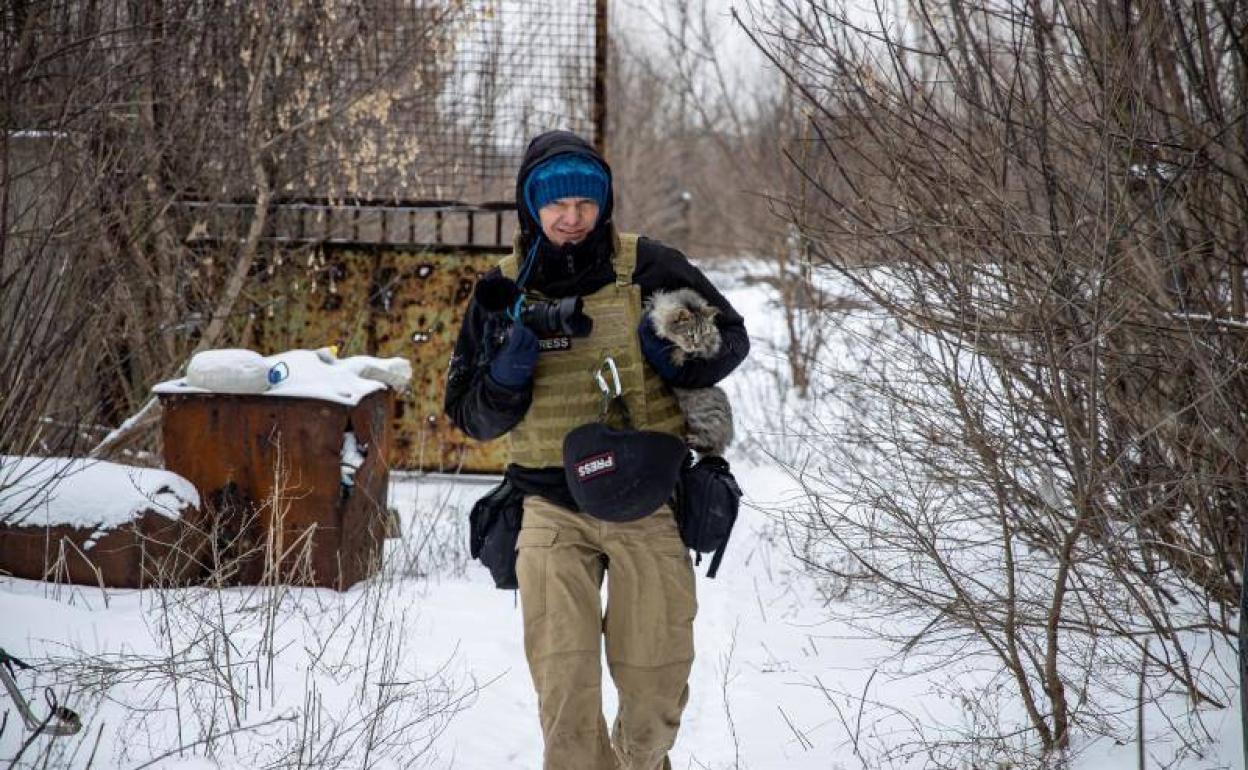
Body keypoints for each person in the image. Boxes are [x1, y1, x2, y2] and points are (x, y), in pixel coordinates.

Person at [444, 130, 749, 770]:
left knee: (653, 692)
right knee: (566, 698)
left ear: (603, 202)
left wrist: (672, 346)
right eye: (556, 204)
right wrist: (506, 374)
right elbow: (469, 416)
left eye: (585, 202)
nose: (572, 216)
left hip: (648, 503)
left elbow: (729, 344)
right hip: (548, 507)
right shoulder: (500, 289)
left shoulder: (649, 265)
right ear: (532, 206)